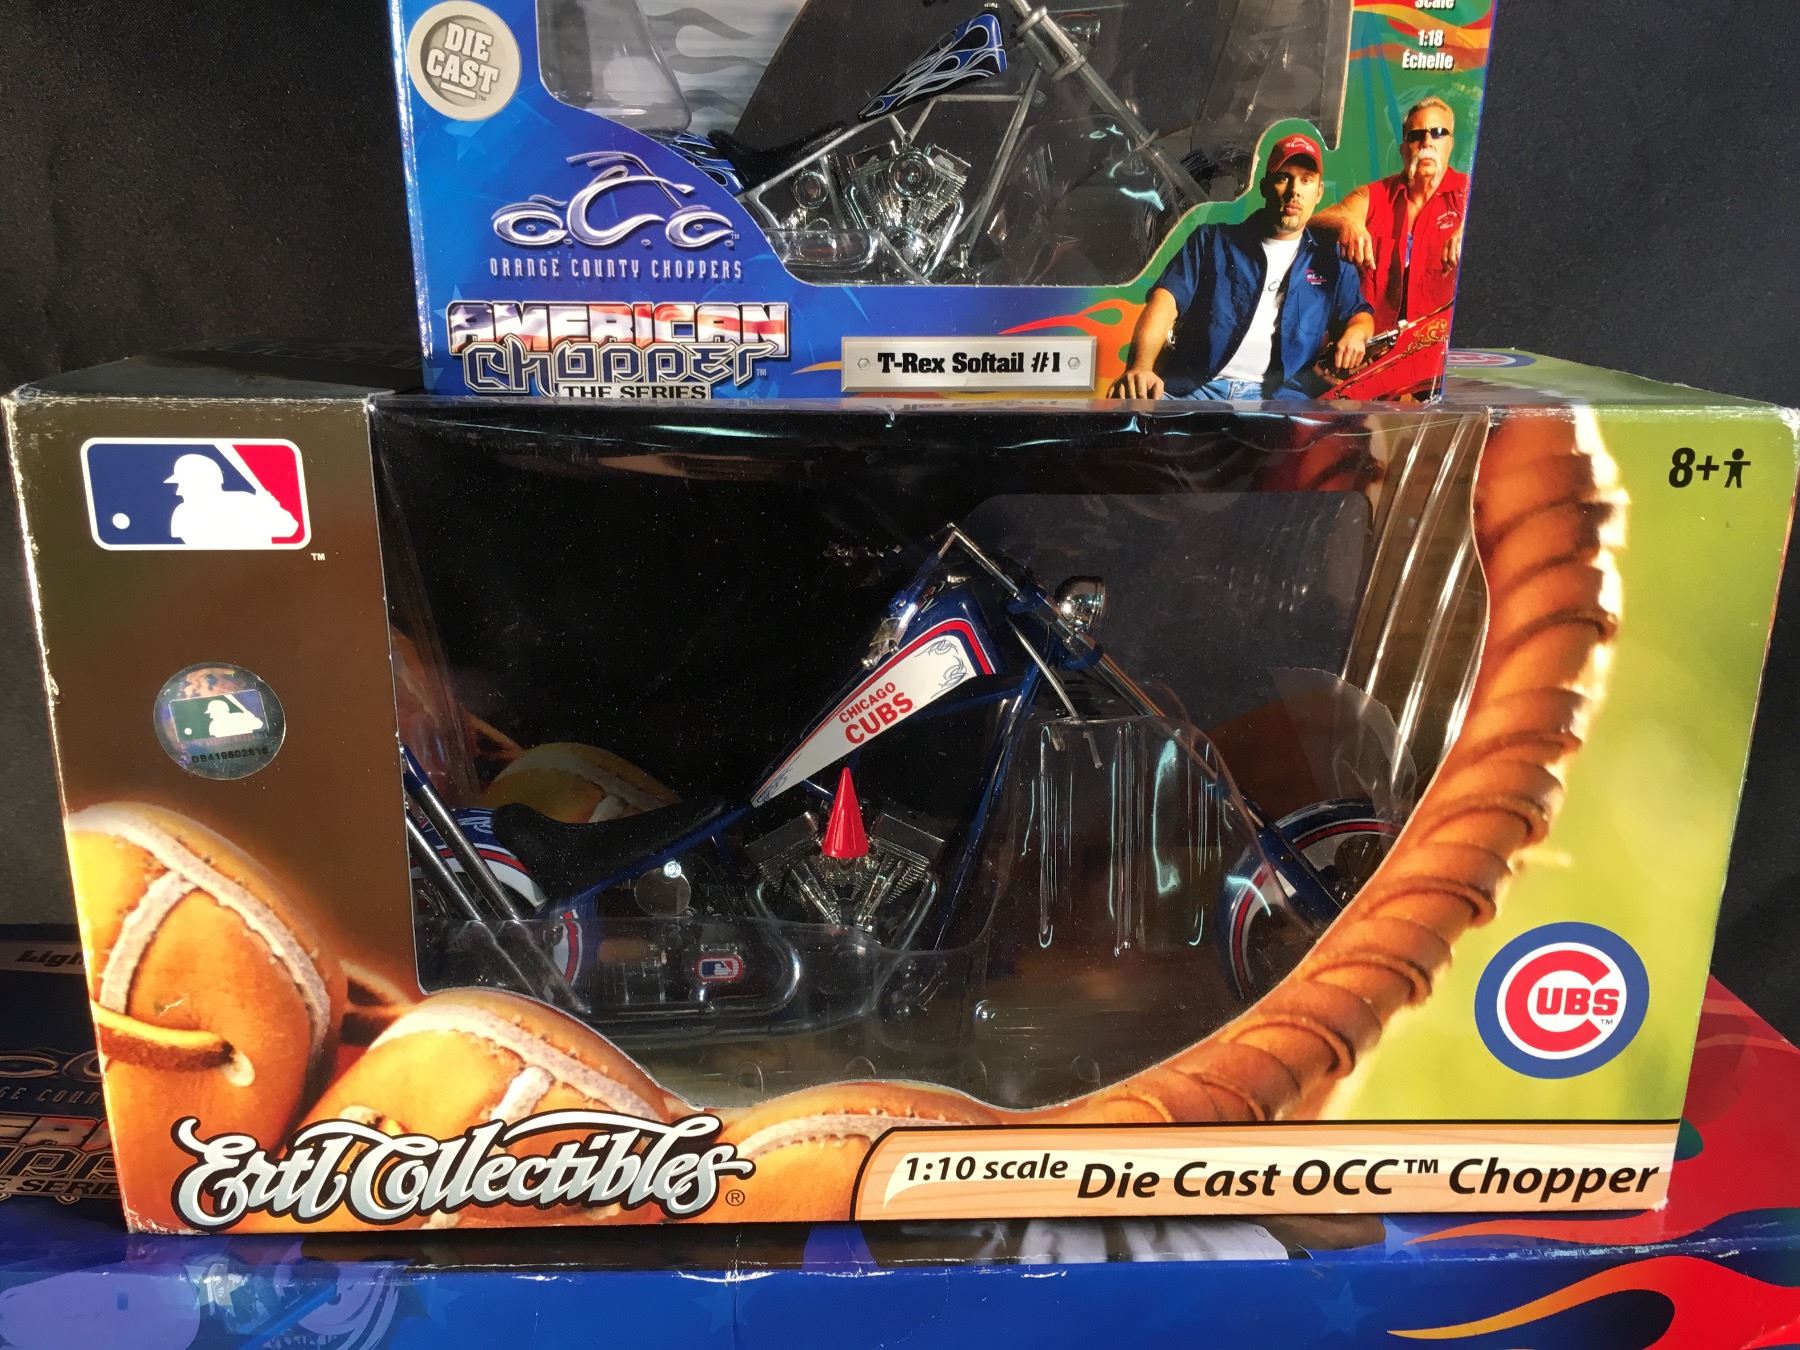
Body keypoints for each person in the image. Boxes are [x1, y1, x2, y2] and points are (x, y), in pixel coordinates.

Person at [1110, 133, 1372, 400]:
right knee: (1128, 404)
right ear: (1265, 187)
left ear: (1318, 192)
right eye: (1284, 178)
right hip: (1196, 389)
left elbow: (1360, 315)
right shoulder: (1211, 241)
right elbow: (1165, 302)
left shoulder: (1331, 260)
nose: (1295, 191)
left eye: (1306, 180)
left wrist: (1356, 333)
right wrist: (1140, 367)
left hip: (1278, 399)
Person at [1312, 96, 1467, 335]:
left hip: (1437, 349)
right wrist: (1347, 222)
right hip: (1370, 347)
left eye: (1438, 133)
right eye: (1416, 136)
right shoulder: (1375, 195)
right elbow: (1317, 220)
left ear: (1451, 144)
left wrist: (1471, 228)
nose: (1427, 142)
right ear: (1403, 149)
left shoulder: (1469, 194)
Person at [164, 453, 298, 548]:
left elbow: (290, 528)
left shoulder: (247, 502)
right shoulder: (184, 513)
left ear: (203, 483)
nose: (178, 492)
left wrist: (271, 508)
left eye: (184, 484)